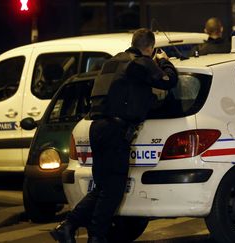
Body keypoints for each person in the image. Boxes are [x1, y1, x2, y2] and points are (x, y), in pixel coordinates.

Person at [50, 28, 178, 243]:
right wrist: (164, 62)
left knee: (103, 187)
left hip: (97, 127)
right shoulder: (141, 62)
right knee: (114, 190)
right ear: (150, 47)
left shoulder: (113, 62)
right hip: (115, 131)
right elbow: (168, 81)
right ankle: (96, 236)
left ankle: (68, 227)